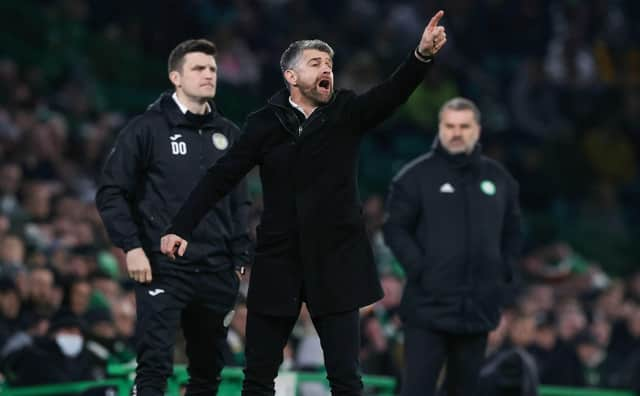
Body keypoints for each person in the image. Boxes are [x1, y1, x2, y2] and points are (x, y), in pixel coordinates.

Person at [161, 10, 448, 396]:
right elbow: (221, 176)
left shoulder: (347, 112)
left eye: (329, 63)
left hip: (337, 259)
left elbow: (392, 93)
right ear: (291, 77)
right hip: (279, 259)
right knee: (258, 377)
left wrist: (421, 56)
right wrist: (181, 226)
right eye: (316, 63)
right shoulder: (265, 123)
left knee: (346, 379)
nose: (326, 68)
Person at [95, 39, 251, 396]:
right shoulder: (146, 129)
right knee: (154, 365)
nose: (209, 74)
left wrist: (240, 256)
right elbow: (111, 192)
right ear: (175, 77)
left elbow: (240, 202)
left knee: (209, 371)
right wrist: (131, 247)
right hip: (163, 266)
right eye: (198, 68)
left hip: (216, 271)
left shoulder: (228, 134)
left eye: (212, 68)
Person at [382, 97, 523, 396]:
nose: (456, 133)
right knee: (416, 390)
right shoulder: (415, 177)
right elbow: (394, 228)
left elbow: (513, 232)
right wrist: (421, 268)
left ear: (478, 130)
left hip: (477, 310)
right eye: (449, 126)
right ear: (440, 129)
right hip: (427, 309)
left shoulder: (500, 179)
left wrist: (504, 272)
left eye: (464, 126)